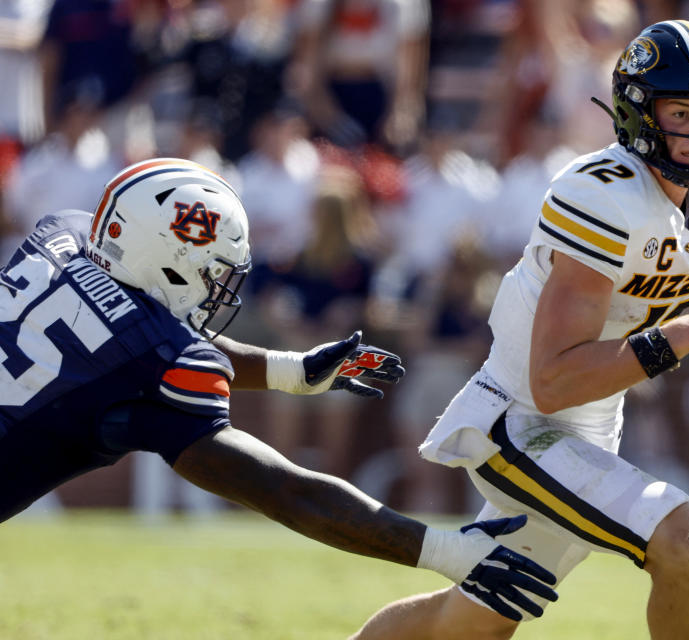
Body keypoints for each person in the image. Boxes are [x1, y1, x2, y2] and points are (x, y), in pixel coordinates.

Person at [353, 20, 689, 640]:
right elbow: (553, 381)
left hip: (592, 426)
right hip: (518, 422)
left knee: (468, 620)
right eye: (680, 112)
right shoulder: (601, 197)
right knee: (685, 542)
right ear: (637, 113)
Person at [0, 157, 558, 623]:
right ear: (168, 260)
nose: (215, 290)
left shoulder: (66, 235)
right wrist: (447, 550)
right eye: (210, 272)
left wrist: (289, 370)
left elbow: (124, 336)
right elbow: (290, 493)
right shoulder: (161, 360)